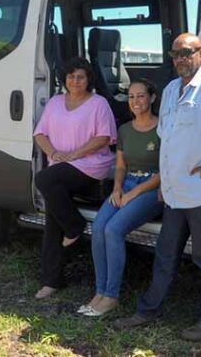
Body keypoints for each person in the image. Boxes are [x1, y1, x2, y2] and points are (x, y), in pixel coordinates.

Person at [113, 34, 201, 341]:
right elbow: (168, 143)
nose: (180, 58)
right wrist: (164, 183)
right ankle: (148, 310)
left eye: (186, 53)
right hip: (175, 192)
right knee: (165, 254)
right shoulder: (171, 89)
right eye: (175, 54)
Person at [78, 79, 164, 317]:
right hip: (126, 183)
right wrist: (117, 189)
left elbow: (165, 170)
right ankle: (100, 292)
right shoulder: (125, 129)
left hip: (151, 188)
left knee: (113, 229)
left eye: (141, 96)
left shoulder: (163, 128)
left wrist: (134, 193)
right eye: (131, 97)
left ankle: (111, 296)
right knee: (98, 227)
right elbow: (120, 166)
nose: (136, 101)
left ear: (152, 98)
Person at [33, 56, 116, 299]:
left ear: (89, 79)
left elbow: (104, 138)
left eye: (81, 76)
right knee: (52, 221)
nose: (75, 80)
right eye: (71, 76)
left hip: (90, 165)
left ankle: (75, 225)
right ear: (65, 80)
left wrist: (71, 155)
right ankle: (51, 281)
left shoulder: (98, 103)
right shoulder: (56, 102)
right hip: (60, 167)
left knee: (43, 180)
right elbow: (40, 133)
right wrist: (54, 153)